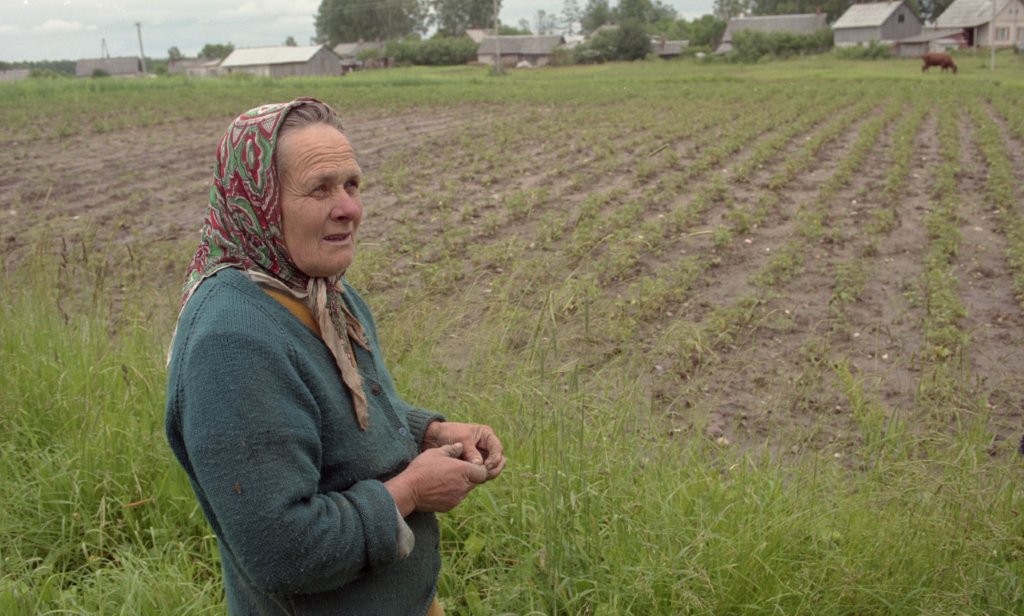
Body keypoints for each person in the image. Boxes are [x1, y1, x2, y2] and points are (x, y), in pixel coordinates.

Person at [165, 97, 505, 616]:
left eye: (352, 184)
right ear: (258, 202)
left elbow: (329, 414)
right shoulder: (231, 342)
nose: (349, 208)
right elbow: (283, 551)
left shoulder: (322, 293)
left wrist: (429, 433)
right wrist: (410, 492)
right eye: (319, 189)